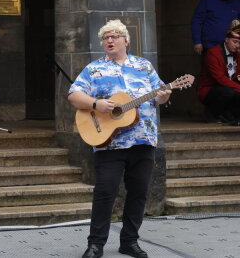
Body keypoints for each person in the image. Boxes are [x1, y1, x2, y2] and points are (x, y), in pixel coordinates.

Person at [68, 19, 171, 258]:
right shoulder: (94, 69)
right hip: (109, 143)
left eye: (114, 36)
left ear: (126, 40)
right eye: (105, 38)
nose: (110, 41)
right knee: (105, 192)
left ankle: (129, 241)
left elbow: (159, 98)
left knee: (138, 193)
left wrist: (164, 95)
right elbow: (74, 95)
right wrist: (97, 104)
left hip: (143, 139)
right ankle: (95, 244)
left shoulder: (144, 66)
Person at [196, 19, 240, 124]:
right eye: (235, 42)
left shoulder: (237, 54)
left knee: (233, 93)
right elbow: (219, 78)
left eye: (239, 43)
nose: (237, 46)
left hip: (230, 87)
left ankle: (232, 116)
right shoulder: (213, 52)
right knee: (229, 92)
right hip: (210, 90)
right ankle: (211, 114)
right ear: (226, 40)